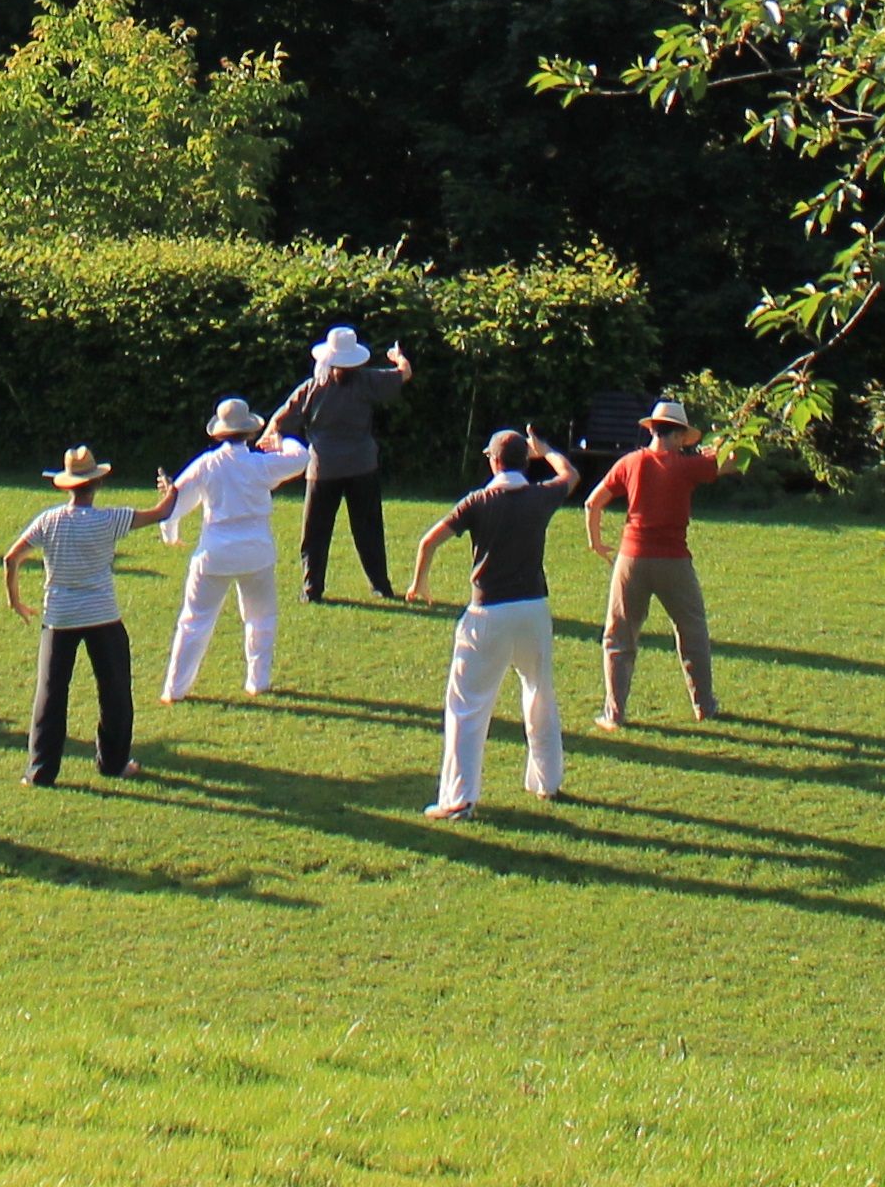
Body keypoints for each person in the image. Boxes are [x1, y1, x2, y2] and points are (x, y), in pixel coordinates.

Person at [407, 427, 587, 818]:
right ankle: (547, 781)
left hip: (488, 613)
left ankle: (459, 799)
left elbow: (429, 541)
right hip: (534, 610)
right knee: (539, 692)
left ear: (493, 460)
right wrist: (549, 451)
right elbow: (570, 475)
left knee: (467, 707)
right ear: (526, 462)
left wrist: (419, 582)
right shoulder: (540, 496)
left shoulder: (479, 500)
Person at [2, 448, 155, 786]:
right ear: (97, 483)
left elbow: (11, 558)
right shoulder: (110, 519)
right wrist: (170, 494)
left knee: (51, 692)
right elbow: (159, 514)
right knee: (114, 690)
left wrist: (15, 600)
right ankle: (114, 763)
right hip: (103, 615)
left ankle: (40, 771)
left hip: (60, 617)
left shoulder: (49, 520)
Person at [155, 396, 317, 702]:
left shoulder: (207, 464)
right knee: (260, 618)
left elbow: (175, 500)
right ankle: (258, 681)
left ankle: (174, 689)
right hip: (256, 550)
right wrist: (281, 441)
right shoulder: (260, 464)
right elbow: (301, 458)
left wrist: (170, 533)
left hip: (215, 551)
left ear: (218, 432)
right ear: (249, 432)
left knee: (193, 622)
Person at [588, 392, 730, 729]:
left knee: (619, 637)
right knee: (692, 630)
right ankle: (704, 706)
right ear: (679, 434)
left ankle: (615, 713)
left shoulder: (629, 463)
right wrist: (722, 444)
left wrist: (596, 542)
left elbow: (592, 503)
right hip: (674, 561)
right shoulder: (687, 465)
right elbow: (736, 461)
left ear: (653, 430)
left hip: (631, 558)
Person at [278, 326, 411, 604]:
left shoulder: (313, 387)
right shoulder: (366, 381)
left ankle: (312, 588)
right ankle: (380, 586)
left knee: (315, 532)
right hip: (362, 466)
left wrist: (269, 443)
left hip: (323, 469)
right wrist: (398, 358)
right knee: (368, 529)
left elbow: (280, 421)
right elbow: (404, 374)